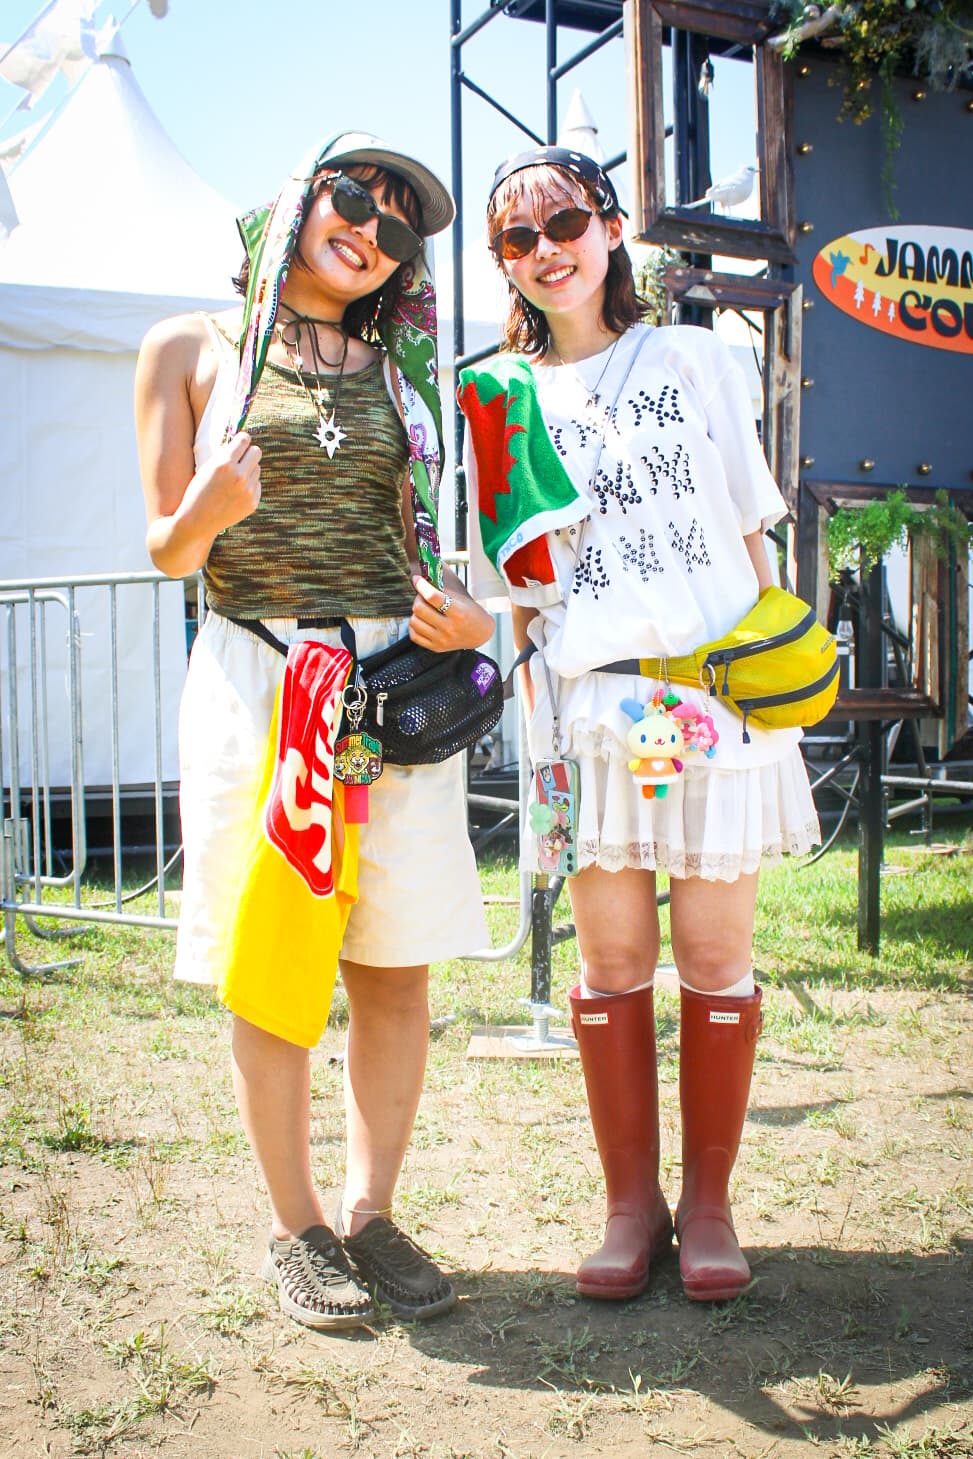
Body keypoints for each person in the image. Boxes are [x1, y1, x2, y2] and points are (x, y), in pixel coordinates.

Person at [135, 131, 495, 1330]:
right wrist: (208, 508)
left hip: (388, 689)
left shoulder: (405, 375)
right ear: (301, 195)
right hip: (261, 674)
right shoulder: (189, 347)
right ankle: (295, 1229)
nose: (371, 230)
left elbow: (426, 536)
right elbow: (167, 549)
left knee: (393, 964)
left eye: (398, 226)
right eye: (355, 196)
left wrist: (468, 618)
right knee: (275, 964)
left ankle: (369, 1212)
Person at [458, 146, 820, 1304]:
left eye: (563, 221)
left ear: (610, 228)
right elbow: (521, 596)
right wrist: (539, 745)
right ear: (502, 264)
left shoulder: (695, 357)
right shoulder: (497, 398)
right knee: (612, 960)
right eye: (516, 238)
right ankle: (630, 1206)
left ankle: (708, 1205)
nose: (544, 250)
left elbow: (749, 530)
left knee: (712, 955)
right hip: (593, 709)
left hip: (712, 697)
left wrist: (777, 674)